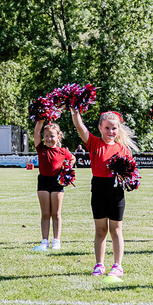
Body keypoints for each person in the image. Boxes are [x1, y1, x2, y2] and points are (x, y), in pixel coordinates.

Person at [71, 109, 137, 278]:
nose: (111, 132)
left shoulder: (123, 149)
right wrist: (75, 110)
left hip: (116, 191)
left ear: (118, 129)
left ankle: (117, 265)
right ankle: (99, 264)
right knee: (100, 230)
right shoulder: (93, 143)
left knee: (116, 229)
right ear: (100, 128)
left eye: (114, 128)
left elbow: (131, 173)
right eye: (107, 128)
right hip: (99, 188)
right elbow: (79, 126)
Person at [32, 120, 76, 251]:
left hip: (57, 182)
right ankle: (44, 240)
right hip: (43, 182)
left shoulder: (63, 151)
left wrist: (67, 168)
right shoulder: (40, 148)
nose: (49, 138)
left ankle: (56, 240)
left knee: (56, 213)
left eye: (52, 136)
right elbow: (36, 132)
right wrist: (40, 121)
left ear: (58, 136)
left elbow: (72, 158)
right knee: (45, 213)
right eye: (46, 136)